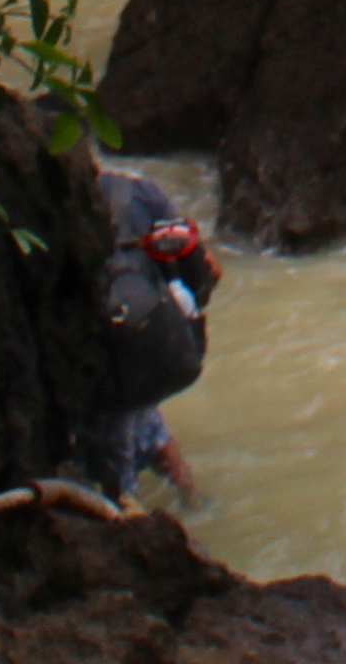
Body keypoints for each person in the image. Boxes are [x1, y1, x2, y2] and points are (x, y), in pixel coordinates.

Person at [73, 168, 218, 499]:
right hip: (153, 338)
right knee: (149, 423)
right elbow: (205, 272)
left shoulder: (58, 201)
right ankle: (193, 500)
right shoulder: (141, 193)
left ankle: (126, 524)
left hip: (107, 353)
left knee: (115, 453)